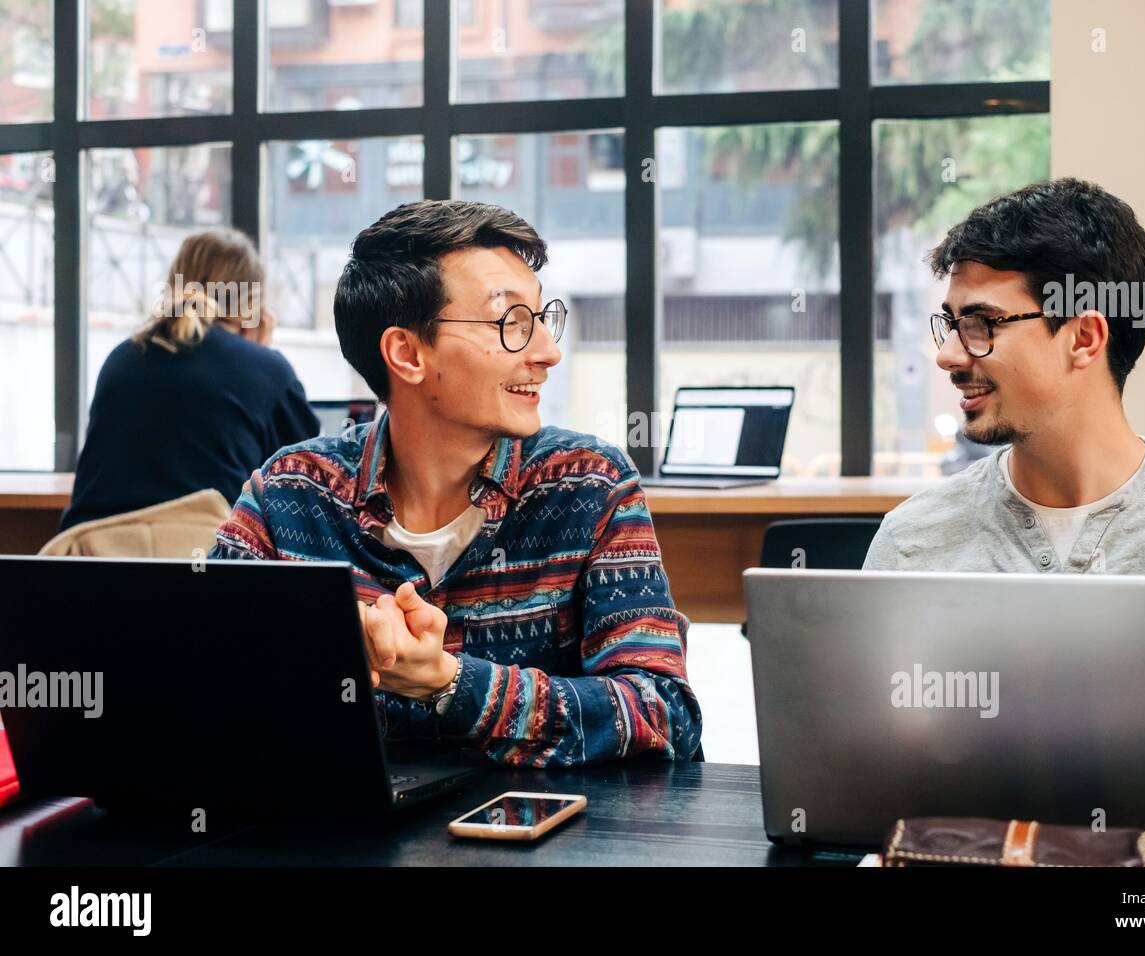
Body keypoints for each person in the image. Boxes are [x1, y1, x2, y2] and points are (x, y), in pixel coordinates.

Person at [210, 199, 703, 767]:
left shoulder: (589, 485)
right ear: (407, 353)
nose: (548, 351)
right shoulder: (288, 494)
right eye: (511, 323)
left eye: (543, 318)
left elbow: (665, 715)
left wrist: (451, 683)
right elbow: (203, 692)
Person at [864, 178, 1145, 791]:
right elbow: (872, 777)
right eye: (951, 323)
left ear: (1085, 338)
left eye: (982, 323)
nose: (950, 357)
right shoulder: (912, 540)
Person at [61, 228, 318, 530]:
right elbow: (309, 484)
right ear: (253, 307)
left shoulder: (121, 358)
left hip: (91, 566)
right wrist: (261, 360)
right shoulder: (267, 372)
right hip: (211, 567)